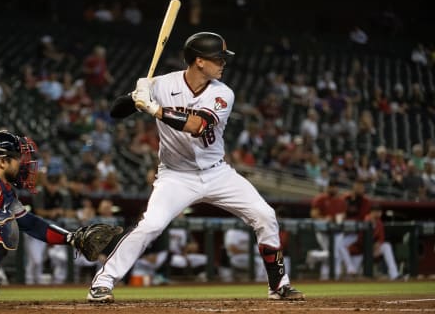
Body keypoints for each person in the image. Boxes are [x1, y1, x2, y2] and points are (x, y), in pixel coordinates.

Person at [87, 32, 304, 302]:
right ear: (200, 61)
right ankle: (102, 282)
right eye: (219, 58)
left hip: (217, 173)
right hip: (176, 177)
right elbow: (115, 112)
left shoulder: (223, 93)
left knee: (265, 215)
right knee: (151, 225)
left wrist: (154, 109)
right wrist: (135, 96)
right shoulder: (162, 84)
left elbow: (198, 126)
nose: (223, 63)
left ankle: (279, 286)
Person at [0, 131, 77, 306]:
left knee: (4, 227)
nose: (23, 164)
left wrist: (72, 238)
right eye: (18, 158)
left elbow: (31, 224)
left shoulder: (1, 188)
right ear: (2, 161)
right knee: (0, 223)